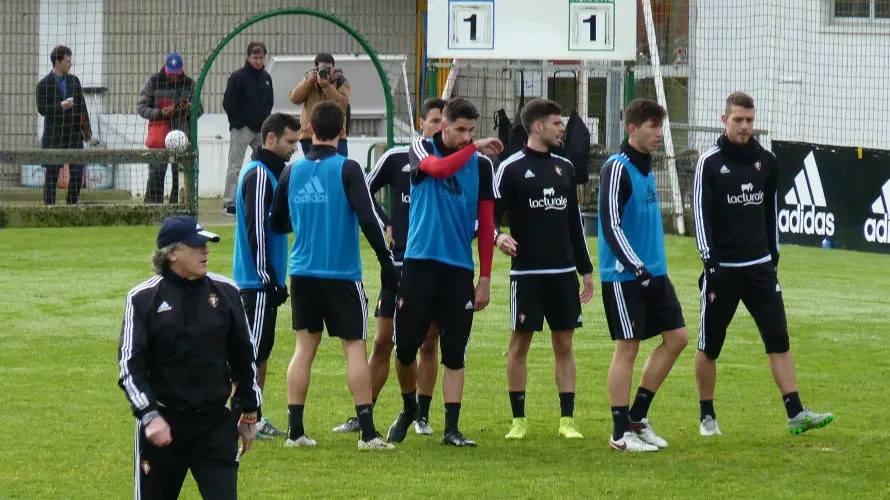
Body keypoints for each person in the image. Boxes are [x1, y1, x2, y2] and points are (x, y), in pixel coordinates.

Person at [692, 91, 834, 436]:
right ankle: (707, 416)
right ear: (725, 120)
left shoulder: (766, 161)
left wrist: (774, 257)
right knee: (710, 345)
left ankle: (795, 412)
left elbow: (770, 212)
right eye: (738, 120)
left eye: (750, 120)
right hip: (722, 271)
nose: (744, 127)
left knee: (778, 337)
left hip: (760, 268)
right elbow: (701, 215)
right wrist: (710, 262)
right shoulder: (709, 163)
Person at [269, 101, 396, 450]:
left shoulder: (290, 172)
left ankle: (295, 432)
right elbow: (369, 218)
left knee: (303, 349)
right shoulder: (348, 168)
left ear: (309, 130)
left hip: (303, 273)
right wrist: (386, 262)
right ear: (343, 132)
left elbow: (276, 222)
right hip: (341, 274)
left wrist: (307, 221)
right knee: (354, 348)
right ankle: (368, 433)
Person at [386, 97, 503, 447]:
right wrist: (476, 147)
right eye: (461, 130)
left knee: (454, 351)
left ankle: (451, 428)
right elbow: (437, 170)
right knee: (405, 349)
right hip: (420, 264)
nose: (468, 137)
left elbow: (485, 224)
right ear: (443, 126)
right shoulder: (420, 148)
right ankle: (409, 409)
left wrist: (484, 278)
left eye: (472, 131)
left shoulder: (482, 167)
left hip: (457, 270)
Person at [117, 215, 260, 499]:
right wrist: (149, 415)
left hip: (215, 425)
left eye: (206, 244)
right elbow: (129, 367)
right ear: (171, 253)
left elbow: (245, 357)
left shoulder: (226, 292)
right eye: (196, 245)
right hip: (163, 424)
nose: (205, 251)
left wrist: (248, 411)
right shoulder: (142, 299)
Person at [331, 98, 447, 436]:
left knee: (428, 343)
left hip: (431, 266)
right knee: (383, 341)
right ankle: (364, 413)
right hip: (396, 266)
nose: (439, 127)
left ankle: (421, 414)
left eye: (445, 121)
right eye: (435, 120)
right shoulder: (396, 158)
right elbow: (364, 192)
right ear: (421, 122)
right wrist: (385, 222)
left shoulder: (449, 163)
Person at [494, 99, 594, 440]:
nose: (562, 129)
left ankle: (567, 420)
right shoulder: (510, 168)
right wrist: (497, 238)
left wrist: (586, 270)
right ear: (538, 127)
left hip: (563, 274)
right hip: (527, 275)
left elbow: (574, 225)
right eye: (557, 123)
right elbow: (488, 216)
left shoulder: (565, 168)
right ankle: (518, 420)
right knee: (519, 344)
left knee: (564, 345)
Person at [597, 98, 689, 452]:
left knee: (678, 337)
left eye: (660, 126)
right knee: (628, 349)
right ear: (632, 129)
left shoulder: (648, 168)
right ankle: (620, 435)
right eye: (652, 126)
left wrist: (651, 271)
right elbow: (610, 225)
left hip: (655, 274)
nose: (658, 134)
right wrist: (637, 267)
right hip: (625, 276)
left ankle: (637, 416)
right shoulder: (616, 168)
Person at [232, 112, 301, 440]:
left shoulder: (272, 174)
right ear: (270, 139)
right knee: (251, 353)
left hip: (262, 281)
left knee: (261, 351)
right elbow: (254, 230)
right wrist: (268, 277)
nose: (294, 149)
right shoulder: (259, 175)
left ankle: (254, 415)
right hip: (256, 283)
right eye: (290, 142)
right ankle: (244, 417)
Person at [137, 53, 203, 205]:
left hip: (181, 135)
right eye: (170, 73)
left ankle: (177, 207)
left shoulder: (190, 84)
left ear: (182, 70)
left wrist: (188, 110)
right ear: (165, 68)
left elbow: (199, 109)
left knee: (179, 175)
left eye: (176, 73)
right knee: (156, 174)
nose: (173, 77)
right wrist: (160, 113)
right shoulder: (153, 82)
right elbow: (141, 107)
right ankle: (152, 206)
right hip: (159, 133)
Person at [36, 45, 93, 205]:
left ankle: (72, 204)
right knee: (52, 173)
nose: (70, 64)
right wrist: (60, 107)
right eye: (67, 61)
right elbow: (42, 109)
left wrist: (87, 130)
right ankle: (49, 208)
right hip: (54, 135)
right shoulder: (43, 84)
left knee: (77, 170)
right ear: (58, 62)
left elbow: (82, 106)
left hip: (74, 134)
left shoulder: (74, 81)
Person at [222, 41, 274, 216]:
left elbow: (269, 102)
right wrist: (238, 123)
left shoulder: (267, 78)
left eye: (261, 57)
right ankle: (229, 203)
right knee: (234, 166)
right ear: (248, 57)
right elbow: (228, 102)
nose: (258, 61)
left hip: (261, 130)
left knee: (267, 164)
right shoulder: (237, 77)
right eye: (255, 57)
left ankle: (267, 198)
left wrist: (265, 120)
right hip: (242, 130)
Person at [287, 53, 350, 157]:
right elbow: (295, 98)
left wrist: (326, 86)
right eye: (322, 68)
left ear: (333, 68)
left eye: (328, 68)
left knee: (338, 167)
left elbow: (343, 105)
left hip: (336, 135)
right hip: (309, 134)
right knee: (314, 167)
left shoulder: (340, 81)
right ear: (316, 68)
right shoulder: (309, 80)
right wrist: (309, 81)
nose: (325, 72)